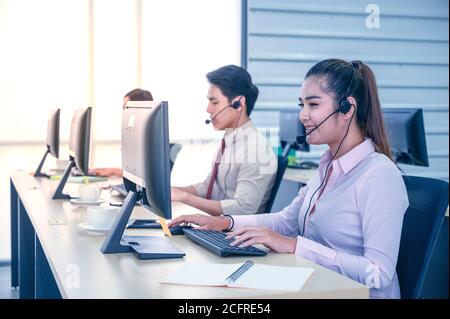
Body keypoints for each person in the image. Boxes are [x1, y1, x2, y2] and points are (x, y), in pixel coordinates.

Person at [169, 59, 409, 299]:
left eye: (313, 104)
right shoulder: (327, 167)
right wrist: (226, 222)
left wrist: (295, 246)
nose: (303, 115)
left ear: (347, 108)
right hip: (318, 288)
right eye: (301, 105)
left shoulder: (379, 175)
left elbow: (378, 274)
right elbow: (286, 221)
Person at [171, 65, 277, 216]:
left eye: (214, 102)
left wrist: (185, 198)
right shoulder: (227, 140)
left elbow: (243, 209)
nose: (208, 109)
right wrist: (171, 192)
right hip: (215, 226)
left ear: (238, 104)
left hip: (235, 234)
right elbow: (209, 187)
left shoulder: (256, 149)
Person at [90, 88, 153, 177]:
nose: (123, 111)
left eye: (126, 107)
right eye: (123, 107)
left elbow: (144, 176)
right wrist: (110, 170)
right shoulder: (136, 133)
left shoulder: (151, 137)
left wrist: (113, 171)